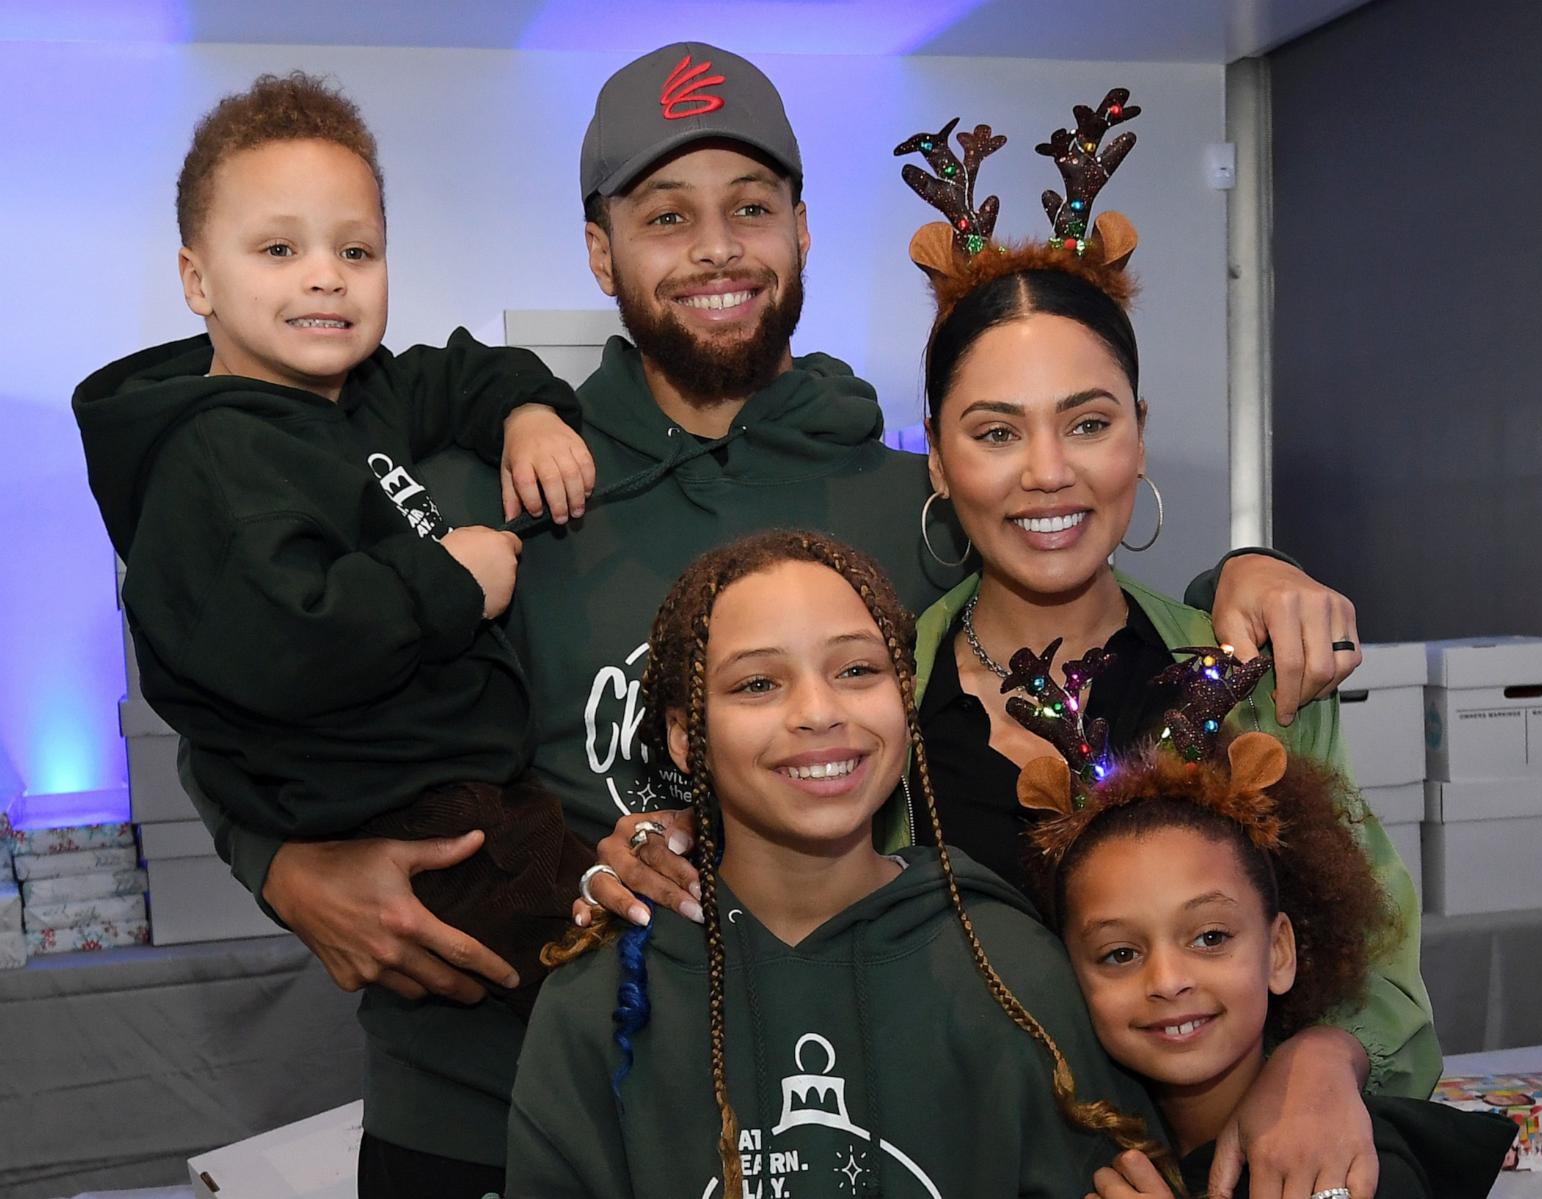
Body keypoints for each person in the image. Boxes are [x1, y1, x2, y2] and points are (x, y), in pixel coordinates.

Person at [181, 46, 1366, 1190]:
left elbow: (1061, 546)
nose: (714, 249)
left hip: (829, 1106)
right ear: (600, 251)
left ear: (801, 231)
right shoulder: (486, 488)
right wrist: (277, 859)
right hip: (476, 1097)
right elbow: (235, 647)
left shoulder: (909, 503)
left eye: (750, 207)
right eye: (663, 216)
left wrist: (1236, 578)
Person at [589, 92, 1437, 1199]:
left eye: (1088, 422)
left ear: (1138, 434)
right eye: (995, 432)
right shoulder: (874, 720)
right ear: (936, 459)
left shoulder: (1252, 680)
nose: (1048, 471)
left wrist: (1325, 1053)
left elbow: (1381, 974)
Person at [72, 71, 595, 1193]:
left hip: (467, 791)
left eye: (356, 251)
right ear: (194, 278)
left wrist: (527, 407)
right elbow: (290, 641)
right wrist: (452, 578)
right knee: (625, 985)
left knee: (627, 953)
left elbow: (464, 368)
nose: (325, 277)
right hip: (400, 814)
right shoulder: (211, 460)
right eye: (279, 251)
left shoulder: (354, 398)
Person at [507, 529, 1169, 1198]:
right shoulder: (606, 998)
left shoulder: (1012, 969)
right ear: (685, 735)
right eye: (758, 682)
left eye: (857, 670)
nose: (818, 712)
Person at [1015, 720, 1513, 1198]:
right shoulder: (1069, 1162)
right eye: (1120, 953)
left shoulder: (1352, 1162)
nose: (1167, 981)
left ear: (1278, 952)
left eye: (1210, 938)